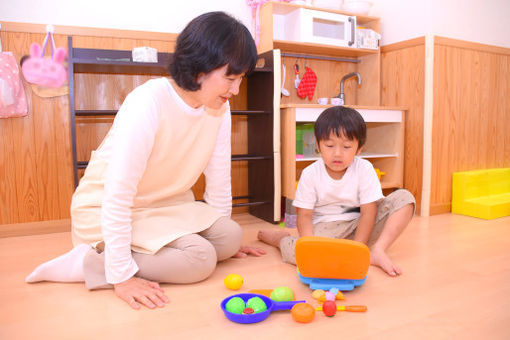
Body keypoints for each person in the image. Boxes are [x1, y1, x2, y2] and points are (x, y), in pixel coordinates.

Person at [26, 11, 265, 310]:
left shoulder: (219, 108)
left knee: (229, 236)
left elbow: (219, 177)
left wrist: (223, 240)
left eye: (240, 79)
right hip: (107, 208)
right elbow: (118, 191)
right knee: (199, 260)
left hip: (166, 206)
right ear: (198, 70)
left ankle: (162, 249)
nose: (236, 90)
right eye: (230, 78)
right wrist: (122, 275)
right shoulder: (148, 101)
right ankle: (92, 263)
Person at [258, 106, 415, 277]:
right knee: (297, 253)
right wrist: (310, 247)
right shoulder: (310, 174)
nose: (337, 154)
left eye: (346, 146)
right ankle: (280, 239)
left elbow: (369, 212)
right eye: (330, 145)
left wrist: (358, 249)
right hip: (326, 231)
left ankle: (377, 250)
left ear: (359, 148)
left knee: (405, 198)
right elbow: (304, 216)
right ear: (318, 145)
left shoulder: (365, 168)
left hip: (360, 225)